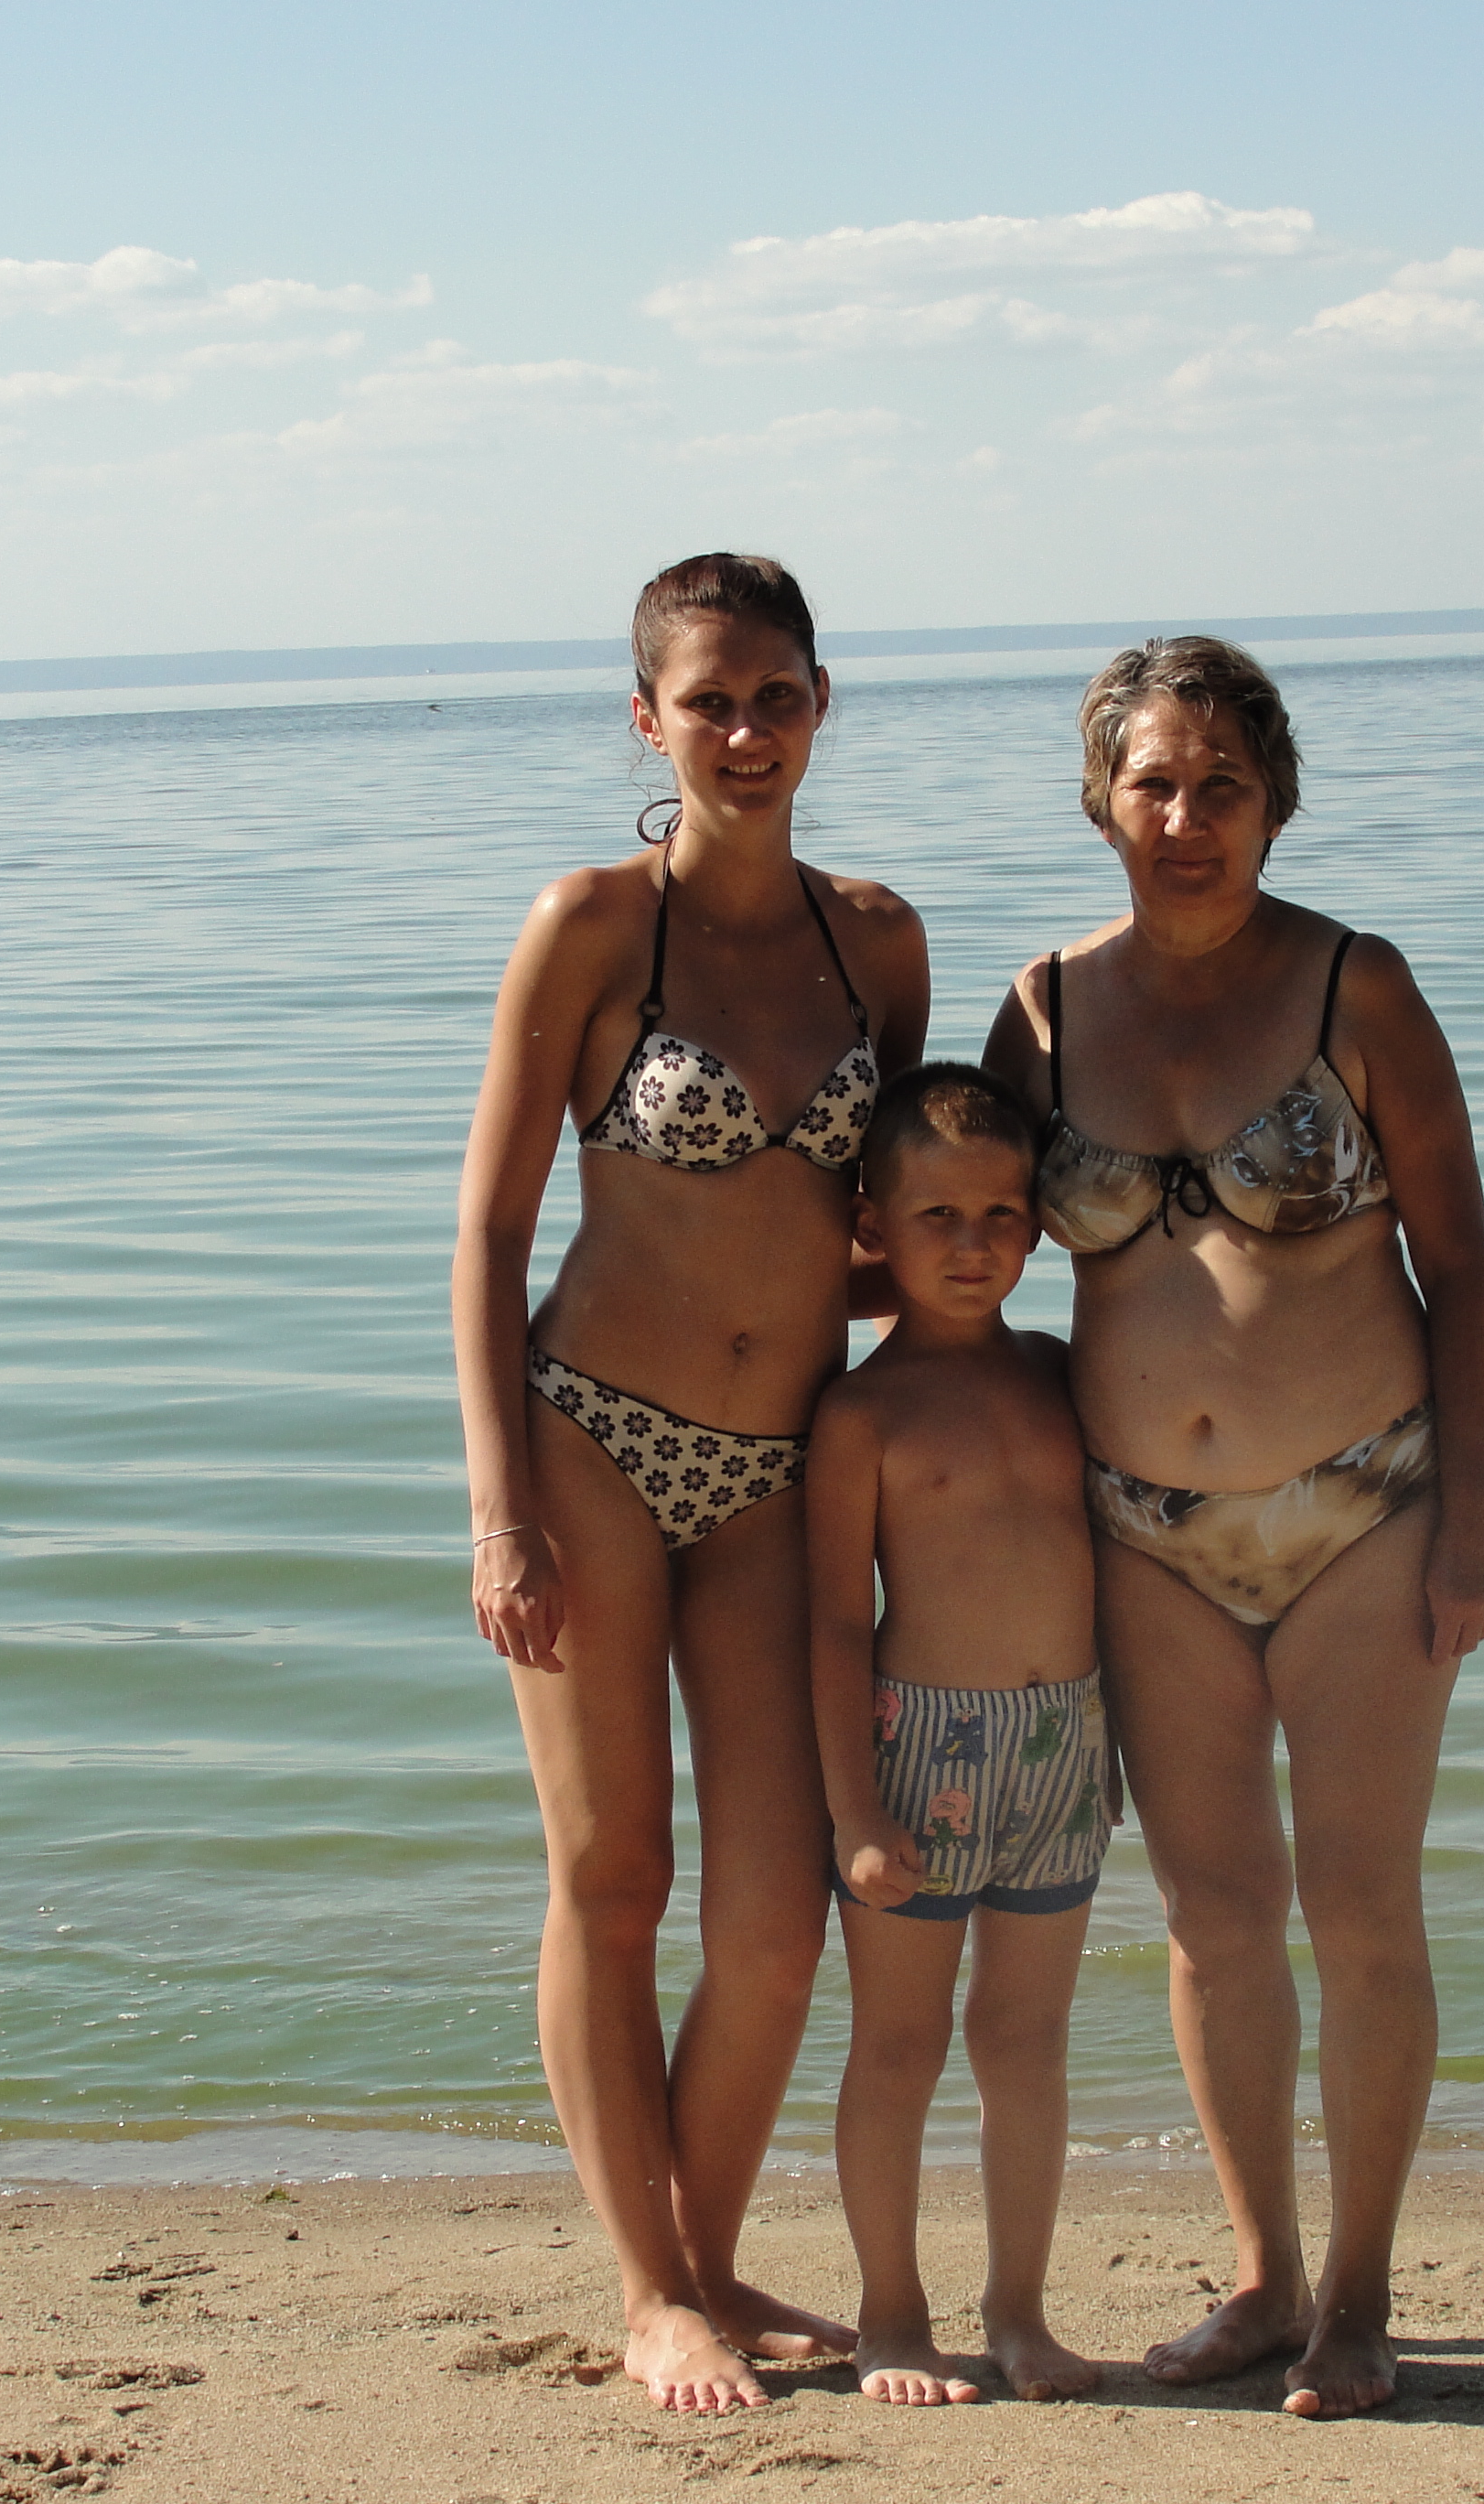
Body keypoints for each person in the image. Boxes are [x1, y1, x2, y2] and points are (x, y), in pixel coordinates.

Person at [982, 636, 1484, 2420]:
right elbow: (953, 1242)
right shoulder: (1045, 1009)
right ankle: (1266, 2278)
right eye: (1154, 781)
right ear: (1101, 801)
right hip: (1141, 1532)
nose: (1187, 816)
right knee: (1213, 1915)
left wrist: (1474, 1522)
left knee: (1360, 1908)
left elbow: (1464, 1267)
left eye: (1222, 783)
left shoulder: (1359, 987)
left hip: (1366, 1507)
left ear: (1275, 800)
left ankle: (1361, 2296)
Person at [454, 554, 930, 2413]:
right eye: (709, 700)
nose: (746, 732)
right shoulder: (592, 925)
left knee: (777, 1918)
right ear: (645, 720)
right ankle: (652, 2292)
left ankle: (714, 2258)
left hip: (781, 1466)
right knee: (613, 1874)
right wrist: (499, 1510)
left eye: (777, 696)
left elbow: (878, 1230)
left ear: (821, 706)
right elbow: (492, 1234)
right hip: (591, 1436)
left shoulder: (875, 942)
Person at [806, 1063, 1111, 2409]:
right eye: (937, 1216)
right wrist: (855, 1814)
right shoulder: (861, 1415)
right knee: (900, 2046)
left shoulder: (1059, 1374)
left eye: (1000, 1213)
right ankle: (891, 2315)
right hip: (917, 1750)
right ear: (873, 1225)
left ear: (1038, 1222)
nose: (973, 1243)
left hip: (1064, 1744)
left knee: (1027, 2041)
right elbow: (832, 1624)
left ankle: (1021, 2312)